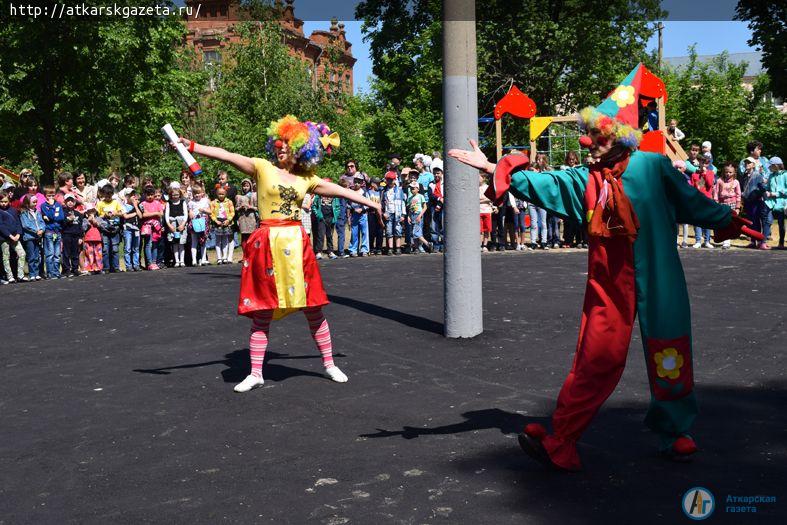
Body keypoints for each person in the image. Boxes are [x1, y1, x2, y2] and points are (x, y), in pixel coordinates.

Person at [449, 63, 761, 471]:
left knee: (671, 350)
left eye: (597, 135)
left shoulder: (653, 166)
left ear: (620, 137)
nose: (588, 141)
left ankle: (676, 432)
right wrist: (493, 167)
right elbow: (548, 184)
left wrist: (725, 220)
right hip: (610, 282)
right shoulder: (587, 178)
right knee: (595, 357)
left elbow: (691, 201)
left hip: (660, 273)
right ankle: (563, 439)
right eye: (590, 135)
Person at [172, 114, 382, 392]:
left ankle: (329, 364)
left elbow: (342, 191)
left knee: (313, 308)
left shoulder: (308, 178)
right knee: (263, 309)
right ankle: (256, 372)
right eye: (279, 142)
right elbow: (226, 155)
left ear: (299, 148)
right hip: (266, 243)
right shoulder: (261, 167)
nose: (281, 146)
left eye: (287, 143)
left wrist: (372, 203)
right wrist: (193, 146)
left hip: (296, 246)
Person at [742, 156, 772, 250]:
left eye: (749, 163)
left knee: (757, 221)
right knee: (751, 222)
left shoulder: (757, 175)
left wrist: (762, 196)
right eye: (746, 163)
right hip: (747, 201)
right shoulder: (744, 175)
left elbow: (762, 187)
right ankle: (753, 241)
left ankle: (760, 241)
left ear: (753, 165)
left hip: (756, 201)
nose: (747, 164)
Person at [0, 190, 27, 283]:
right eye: (1, 201)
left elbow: (18, 223)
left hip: (15, 237)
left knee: (22, 254)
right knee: (6, 257)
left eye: (5, 201)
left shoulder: (13, 210)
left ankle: (20, 275)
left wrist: (18, 234)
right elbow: (1, 226)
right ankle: (10, 276)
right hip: (4, 238)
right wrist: (10, 236)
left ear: (9, 201)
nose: (3, 203)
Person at [95, 184, 123, 272]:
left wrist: (115, 213)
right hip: (104, 229)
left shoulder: (115, 202)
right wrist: (105, 215)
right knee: (105, 249)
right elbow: (97, 216)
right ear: (103, 194)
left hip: (115, 229)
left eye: (109, 195)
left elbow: (121, 213)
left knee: (115, 249)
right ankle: (106, 267)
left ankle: (116, 267)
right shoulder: (100, 204)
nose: (108, 197)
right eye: (106, 196)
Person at [690, 156, 716, 249]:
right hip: (697, 200)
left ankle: (707, 241)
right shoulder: (694, 174)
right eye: (703, 162)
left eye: (707, 163)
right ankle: (698, 240)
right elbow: (692, 188)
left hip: (707, 200)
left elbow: (710, 184)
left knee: (707, 221)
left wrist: (705, 173)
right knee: (697, 221)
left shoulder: (710, 173)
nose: (705, 164)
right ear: (699, 162)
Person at [715, 162, 742, 249]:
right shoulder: (719, 181)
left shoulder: (736, 182)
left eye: (730, 172)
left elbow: (738, 195)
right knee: (723, 222)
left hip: (732, 204)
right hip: (722, 204)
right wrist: (716, 203)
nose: (728, 174)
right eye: (726, 172)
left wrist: (737, 207)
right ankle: (724, 239)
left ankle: (727, 241)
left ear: (734, 173)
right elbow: (716, 193)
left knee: (729, 222)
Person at [40, 185, 65, 279]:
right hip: (49, 232)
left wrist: (51, 217)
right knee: (50, 254)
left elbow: (61, 217)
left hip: (57, 232)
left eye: (53, 195)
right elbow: (51, 215)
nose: (51, 197)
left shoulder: (58, 204)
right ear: (45, 195)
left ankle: (56, 272)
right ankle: (50, 273)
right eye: (49, 195)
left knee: (57, 254)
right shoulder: (44, 206)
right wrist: (51, 207)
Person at [19, 195, 44, 280]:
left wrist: (41, 229)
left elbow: (42, 222)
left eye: (36, 202)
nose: (35, 203)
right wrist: (36, 231)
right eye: (33, 202)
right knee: (31, 256)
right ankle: (32, 273)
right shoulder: (24, 213)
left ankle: (36, 273)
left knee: (37, 255)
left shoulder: (37, 212)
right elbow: (25, 225)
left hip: (37, 237)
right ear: (27, 203)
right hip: (29, 237)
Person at [140, 186, 164, 270]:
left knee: (155, 245)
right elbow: (144, 215)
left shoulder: (158, 203)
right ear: (145, 195)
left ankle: (154, 262)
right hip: (147, 227)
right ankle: (149, 263)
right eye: (148, 195)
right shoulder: (143, 204)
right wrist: (155, 213)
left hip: (156, 227)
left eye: (151, 195)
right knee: (148, 244)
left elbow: (161, 214)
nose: (150, 196)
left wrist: (152, 213)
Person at [381, 171, 405, 255]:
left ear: (395, 180)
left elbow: (403, 202)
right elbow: (382, 203)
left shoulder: (399, 190)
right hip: (388, 213)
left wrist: (403, 214)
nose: (390, 181)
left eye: (392, 179)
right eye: (388, 180)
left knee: (398, 229)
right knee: (389, 230)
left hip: (397, 212)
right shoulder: (384, 191)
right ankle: (390, 248)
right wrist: (383, 213)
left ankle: (398, 247)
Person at [765, 157, 786, 249]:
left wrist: (775, 193)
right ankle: (763, 241)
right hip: (772, 204)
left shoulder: (785, 175)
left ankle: (781, 243)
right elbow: (768, 187)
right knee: (768, 221)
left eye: (770, 166)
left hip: (783, 204)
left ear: (776, 165)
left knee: (781, 223)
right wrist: (765, 191)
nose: (769, 168)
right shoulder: (771, 175)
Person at [165, 184, 189, 267]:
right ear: (171, 195)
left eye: (177, 195)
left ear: (180, 194)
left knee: (181, 243)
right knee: (174, 243)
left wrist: (183, 224)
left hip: (181, 223)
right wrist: (169, 225)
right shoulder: (168, 203)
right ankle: (177, 261)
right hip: (172, 224)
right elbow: (166, 215)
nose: (175, 196)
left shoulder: (183, 202)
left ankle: (182, 261)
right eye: (173, 195)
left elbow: (186, 214)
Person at [60, 194, 84, 277]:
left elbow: (80, 227)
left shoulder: (78, 214)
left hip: (76, 236)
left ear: (74, 202)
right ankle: (66, 269)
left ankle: (75, 268)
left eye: (72, 201)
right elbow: (61, 224)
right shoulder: (63, 213)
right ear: (65, 202)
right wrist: (68, 219)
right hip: (66, 235)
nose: (70, 203)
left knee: (75, 253)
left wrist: (81, 237)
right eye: (68, 201)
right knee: (66, 253)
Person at [188, 183, 212, 265]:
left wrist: (204, 210)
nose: (197, 195)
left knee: (203, 241)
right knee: (194, 242)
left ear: (202, 193)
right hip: (194, 223)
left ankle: (203, 259)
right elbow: (190, 211)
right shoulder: (191, 202)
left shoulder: (205, 200)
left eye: (198, 193)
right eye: (195, 193)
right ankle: (194, 260)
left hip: (203, 222)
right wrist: (190, 213)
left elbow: (210, 212)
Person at [211, 186, 235, 264]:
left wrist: (228, 220)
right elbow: (211, 213)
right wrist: (215, 220)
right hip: (217, 222)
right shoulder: (214, 202)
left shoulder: (229, 202)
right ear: (216, 194)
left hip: (226, 222)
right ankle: (219, 258)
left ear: (226, 194)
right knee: (218, 240)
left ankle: (225, 257)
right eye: (219, 194)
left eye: (222, 194)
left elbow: (232, 212)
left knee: (225, 239)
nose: (221, 196)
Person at [313, 182, 337, 259]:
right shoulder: (318, 195)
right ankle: (318, 252)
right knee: (321, 235)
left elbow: (337, 207)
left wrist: (335, 217)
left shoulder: (334, 195)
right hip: (322, 217)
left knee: (330, 235)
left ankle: (330, 251)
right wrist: (318, 214)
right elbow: (314, 206)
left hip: (330, 217)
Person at [672, 160, 692, 248]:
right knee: (675, 222)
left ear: (684, 169)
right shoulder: (672, 177)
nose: (678, 169)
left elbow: (689, 189)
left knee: (685, 222)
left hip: (683, 202)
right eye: (676, 168)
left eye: (680, 168)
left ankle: (685, 240)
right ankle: (675, 240)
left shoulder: (687, 178)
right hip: (675, 202)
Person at [406, 181, 431, 253]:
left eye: (413, 188)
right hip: (412, 215)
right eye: (411, 188)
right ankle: (416, 248)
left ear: (418, 189)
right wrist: (408, 216)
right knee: (414, 233)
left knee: (416, 232)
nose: (412, 190)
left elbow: (425, 207)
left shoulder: (420, 196)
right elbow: (410, 208)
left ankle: (427, 243)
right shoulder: (410, 198)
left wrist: (420, 215)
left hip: (418, 215)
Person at [348, 176, 370, 256]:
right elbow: (348, 204)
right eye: (356, 182)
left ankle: (364, 249)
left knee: (364, 232)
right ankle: (353, 250)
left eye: (359, 182)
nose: (357, 184)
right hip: (354, 215)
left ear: (361, 183)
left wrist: (362, 209)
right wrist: (352, 212)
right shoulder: (351, 192)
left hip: (363, 214)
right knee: (354, 233)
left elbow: (368, 203)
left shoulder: (364, 192)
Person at [236, 180, 259, 248]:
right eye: (244, 186)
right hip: (243, 219)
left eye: (247, 186)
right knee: (244, 238)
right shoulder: (239, 196)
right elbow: (236, 209)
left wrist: (250, 207)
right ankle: (245, 256)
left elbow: (258, 208)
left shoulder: (254, 195)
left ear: (250, 186)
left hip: (252, 219)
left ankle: (251, 255)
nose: (245, 188)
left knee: (252, 237)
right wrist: (240, 207)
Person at [82, 207, 103, 274]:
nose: (91, 214)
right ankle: (90, 268)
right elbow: (83, 228)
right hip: (88, 239)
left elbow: (101, 226)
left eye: (93, 212)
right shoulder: (85, 220)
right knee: (89, 254)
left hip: (97, 239)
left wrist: (94, 220)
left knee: (98, 254)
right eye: (90, 213)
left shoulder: (99, 219)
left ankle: (98, 268)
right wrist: (88, 220)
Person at [334, 179, 350, 257]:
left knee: (342, 234)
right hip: (339, 217)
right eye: (347, 187)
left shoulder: (343, 196)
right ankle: (341, 252)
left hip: (343, 217)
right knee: (341, 234)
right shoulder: (339, 196)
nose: (349, 188)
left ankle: (340, 250)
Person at [367, 178, 383, 255]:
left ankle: (379, 248)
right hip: (371, 213)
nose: (379, 185)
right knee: (371, 232)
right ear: (372, 184)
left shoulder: (380, 192)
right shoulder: (368, 192)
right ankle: (371, 248)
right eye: (377, 184)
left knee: (380, 232)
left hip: (379, 214)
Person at [479, 173, 493, 252]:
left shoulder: (487, 187)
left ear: (483, 178)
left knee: (487, 229)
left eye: (479, 177)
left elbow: (490, 198)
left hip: (487, 211)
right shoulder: (476, 188)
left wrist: (481, 200)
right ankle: (480, 244)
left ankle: (485, 245)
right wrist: (484, 199)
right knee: (479, 230)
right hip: (478, 211)